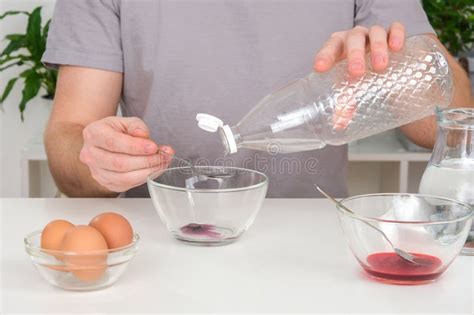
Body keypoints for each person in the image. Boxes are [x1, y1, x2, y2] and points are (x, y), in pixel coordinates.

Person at [42, 0, 472, 198]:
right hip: (159, 244)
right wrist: (97, 156)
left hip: (309, 251)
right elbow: (69, 144)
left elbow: (445, 126)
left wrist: (399, 66)